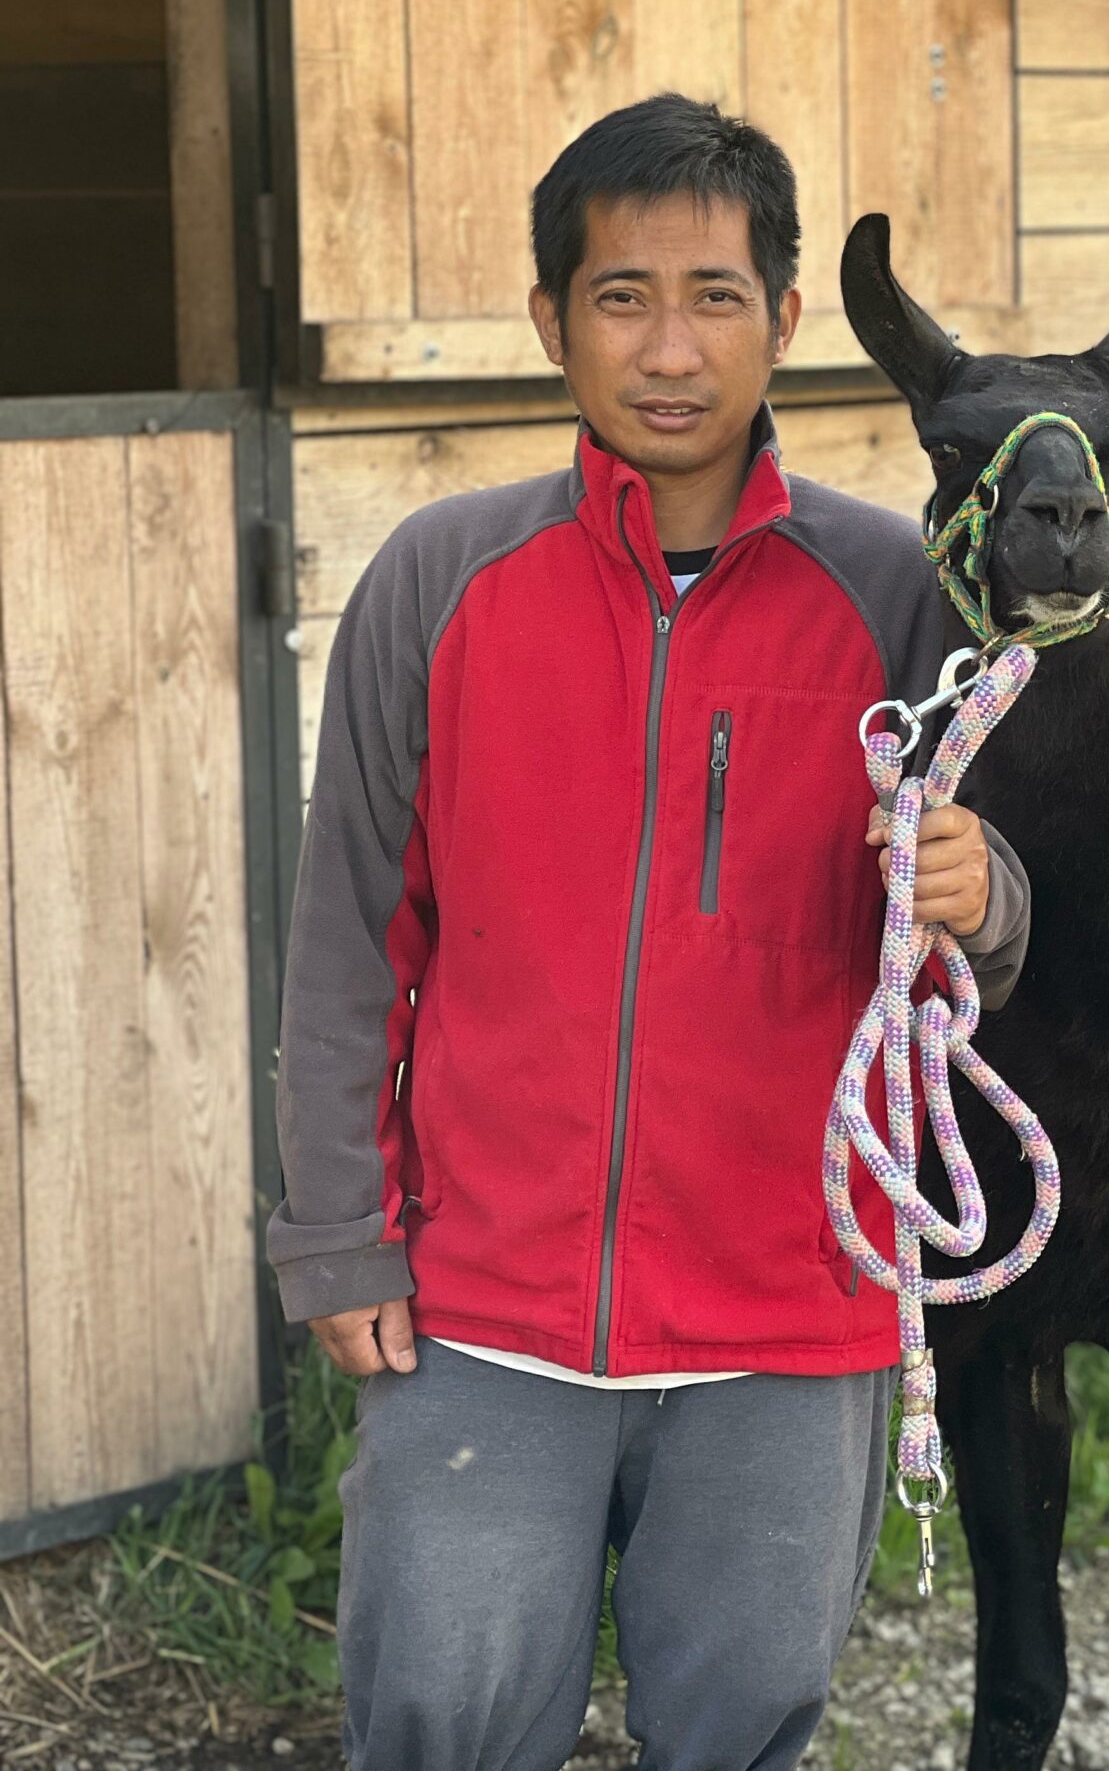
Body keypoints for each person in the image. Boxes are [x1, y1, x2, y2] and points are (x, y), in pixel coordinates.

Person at [269, 94, 1032, 1770]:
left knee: (744, 1731)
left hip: (793, 1304)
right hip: (484, 1311)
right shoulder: (441, 580)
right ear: (552, 319)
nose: (668, 348)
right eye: (621, 297)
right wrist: (336, 1235)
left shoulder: (900, 593)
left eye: (713, 296)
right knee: (441, 1728)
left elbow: (981, 937)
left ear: (784, 319)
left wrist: (991, 901)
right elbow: (348, 937)